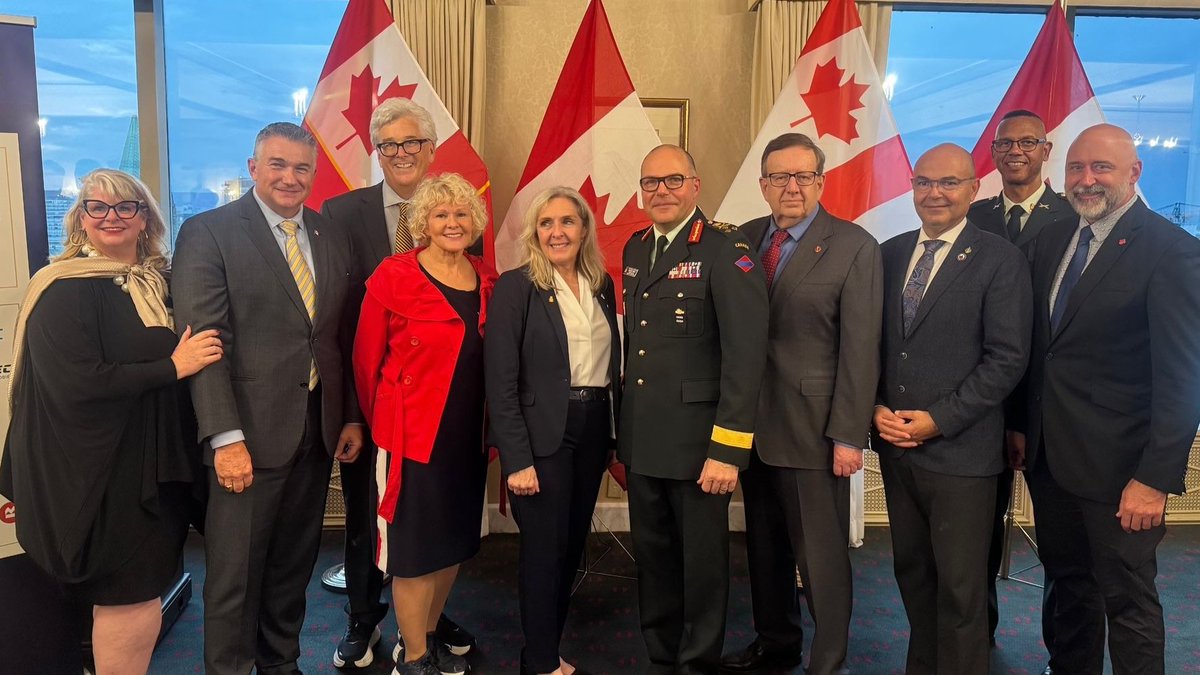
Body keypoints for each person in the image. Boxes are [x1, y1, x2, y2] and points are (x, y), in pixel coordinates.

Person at [0, 169, 222, 675]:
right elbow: (77, 384)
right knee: (128, 597)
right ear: (80, 220)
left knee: (141, 593)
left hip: (156, 463)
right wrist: (173, 366)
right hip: (105, 475)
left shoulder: (160, 282)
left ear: (145, 217)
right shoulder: (60, 289)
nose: (111, 217)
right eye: (96, 207)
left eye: (126, 206)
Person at [172, 122, 365, 674]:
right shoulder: (208, 233)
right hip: (245, 439)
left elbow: (334, 336)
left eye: (302, 168)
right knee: (235, 577)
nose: (290, 177)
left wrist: (349, 416)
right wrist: (224, 438)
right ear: (253, 168)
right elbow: (206, 344)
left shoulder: (329, 235)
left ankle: (280, 664)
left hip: (314, 431)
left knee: (291, 568)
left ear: (314, 173)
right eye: (277, 165)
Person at [1014, 123, 1200, 675]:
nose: (1086, 179)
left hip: (1124, 473)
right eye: (1076, 168)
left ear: (1134, 173)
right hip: (1052, 463)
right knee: (1067, 588)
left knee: (1127, 600)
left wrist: (1155, 480)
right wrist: (1022, 429)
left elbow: (1183, 378)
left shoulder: (1172, 252)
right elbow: (1043, 351)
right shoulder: (1050, 240)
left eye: (1101, 168)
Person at [320, 97, 477, 668]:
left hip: (445, 417)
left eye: (414, 143)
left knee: (432, 527)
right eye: (390, 144)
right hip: (378, 410)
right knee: (370, 518)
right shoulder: (341, 213)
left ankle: (427, 621)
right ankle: (364, 618)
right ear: (376, 152)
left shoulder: (461, 215)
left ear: (431, 149)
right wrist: (352, 413)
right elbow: (338, 321)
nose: (403, 153)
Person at [721, 133, 882, 675]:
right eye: (779, 177)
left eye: (803, 176)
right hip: (750, 430)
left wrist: (847, 436)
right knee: (764, 552)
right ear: (763, 184)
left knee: (822, 561)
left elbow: (861, 351)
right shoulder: (742, 240)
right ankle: (776, 643)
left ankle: (828, 660)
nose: (791, 187)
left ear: (820, 181)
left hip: (814, 433)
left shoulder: (854, 245)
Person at [872, 144, 1032, 675]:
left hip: (962, 455)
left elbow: (1006, 359)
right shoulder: (890, 252)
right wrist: (875, 407)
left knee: (962, 590)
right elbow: (872, 344)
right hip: (897, 450)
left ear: (973, 189)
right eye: (924, 182)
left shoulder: (999, 258)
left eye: (948, 182)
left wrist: (939, 419)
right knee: (912, 575)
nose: (935, 193)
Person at [620, 144, 768, 675]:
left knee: (701, 566)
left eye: (673, 181)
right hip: (643, 438)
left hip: (700, 445)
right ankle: (662, 656)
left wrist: (727, 449)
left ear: (696, 186)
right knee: (654, 559)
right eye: (651, 182)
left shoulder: (727, 249)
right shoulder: (636, 249)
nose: (662, 191)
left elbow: (746, 357)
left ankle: (697, 663)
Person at [353, 173, 497, 675]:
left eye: (461, 214)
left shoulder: (486, 278)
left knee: (453, 542)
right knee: (414, 553)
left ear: (474, 222)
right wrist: (385, 429)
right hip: (411, 437)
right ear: (423, 224)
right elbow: (365, 361)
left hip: (467, 438)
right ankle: (411, 657)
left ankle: (429, 635)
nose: (452, 223)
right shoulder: (393, 275)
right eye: (441, 214)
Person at [485, 187, 622, 675]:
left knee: (569, 546)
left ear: (584, 229)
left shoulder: (601, 282)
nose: (557, 232)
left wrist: (611, 437)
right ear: (535, 232)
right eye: (547, 223)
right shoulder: (516, 285)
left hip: (591, 429)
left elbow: (610, 366)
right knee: (543, 551)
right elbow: (500, 381)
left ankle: (548, 649)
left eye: (567, 221)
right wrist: (517, 459)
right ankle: (540, 663)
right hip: (542, 436)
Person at [967, 109, 1073, 659]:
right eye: (1005, 143)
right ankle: (976, 640)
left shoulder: (1073, 217)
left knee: (1061, 544)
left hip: (1049, 408)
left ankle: (1063, 656)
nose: (1015, 151)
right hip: (981, 405)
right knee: (978, 538)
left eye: (1027, 142)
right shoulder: (974, 216)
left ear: (1046, 149)